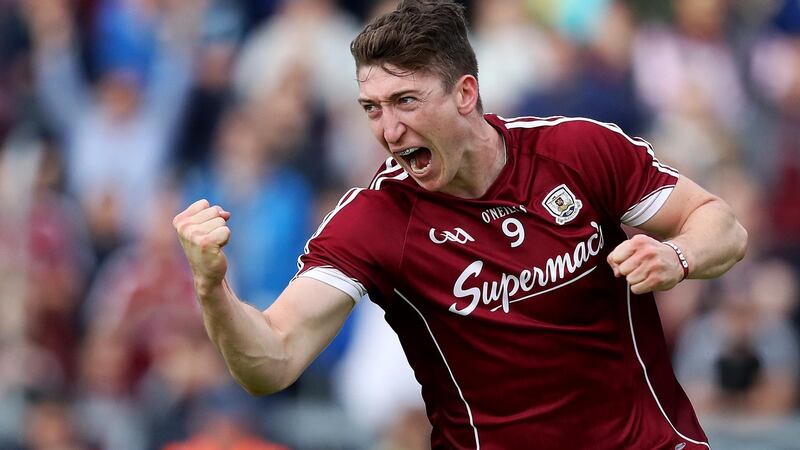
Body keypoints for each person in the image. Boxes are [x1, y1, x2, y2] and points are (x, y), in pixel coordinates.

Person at [173, 1, 748, 448]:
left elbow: (721, 225)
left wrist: (678, 257)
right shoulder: (374, 220)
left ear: (465, 93)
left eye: (406, 101)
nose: (388, 131)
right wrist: (212, 287)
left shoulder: (578, 150)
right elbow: (272, 361)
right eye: (372, 108)